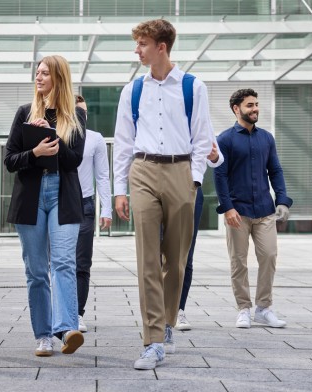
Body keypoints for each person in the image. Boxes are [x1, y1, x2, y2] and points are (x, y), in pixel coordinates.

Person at [113, 19, 214, 370]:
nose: (137, 50)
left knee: (177, 260)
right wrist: (119, 190)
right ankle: (153, 339)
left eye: (142, 44)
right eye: (136, 44)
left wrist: (194, 181)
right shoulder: (132, 90)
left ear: (161, 47)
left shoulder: (193, 86)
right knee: (147, 260)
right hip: (142, 171)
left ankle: (169, 321)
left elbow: (203, 138)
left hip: (181, 172)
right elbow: (123, 142)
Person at [4, 55, 86, 357]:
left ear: (58, 79)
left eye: (44, 74)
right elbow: (10, 160)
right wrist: (34, 151)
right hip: (31, 198)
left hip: (63, 195)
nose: (38, 78)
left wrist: (51, 137)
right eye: (36, 73)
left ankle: (67, 329)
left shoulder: (76, 116)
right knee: (36, 270)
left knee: (64, 262)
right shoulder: (24, 113)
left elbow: (74, 160)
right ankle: (43, 335)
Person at [214, 88, 292, 330]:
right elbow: (219, 175)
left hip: (264, 210)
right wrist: (227, 208)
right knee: (238, 262)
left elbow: (275, 170)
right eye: (250, 105)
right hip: (237, 213)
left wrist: (282, 199)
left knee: (268, 256)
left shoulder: (266, 138)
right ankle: (243, 309)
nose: (255, 108)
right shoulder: (224, 139)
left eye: (256, 104)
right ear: (237, 109)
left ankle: (264, 308)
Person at [74, 95, 112, 333]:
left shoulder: (95, 139)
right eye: (79, 111)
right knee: (57, 264)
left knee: (81, 263)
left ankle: (77, 313)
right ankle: (60, 311)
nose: (83, 116)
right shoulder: (56, 136)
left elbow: (102, 176)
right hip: (57, 204)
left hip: (84, 206)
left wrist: (106, 209)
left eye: (85, 112)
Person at [175, 142, 222, 331]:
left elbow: (217, 160)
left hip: (193, 189)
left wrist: (215, 156)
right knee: (161, 254)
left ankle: (179, 309)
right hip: (162, 186)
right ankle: (160, 309)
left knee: (186, 255)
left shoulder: (198, 117)